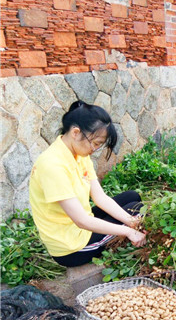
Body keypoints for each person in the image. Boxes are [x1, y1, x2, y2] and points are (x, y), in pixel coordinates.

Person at [29, 100, 147, 268]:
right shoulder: (52, 165)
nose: (96, 149)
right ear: (76, 132)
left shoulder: (79, 155)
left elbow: (100, 198)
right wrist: (129, 230)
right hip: (72, 247)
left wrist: (130, 221)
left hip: (78, 223)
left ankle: (128, 223)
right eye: (96, 143)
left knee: (132, 198)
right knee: (136, 208)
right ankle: (122, 239)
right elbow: (82, 221)